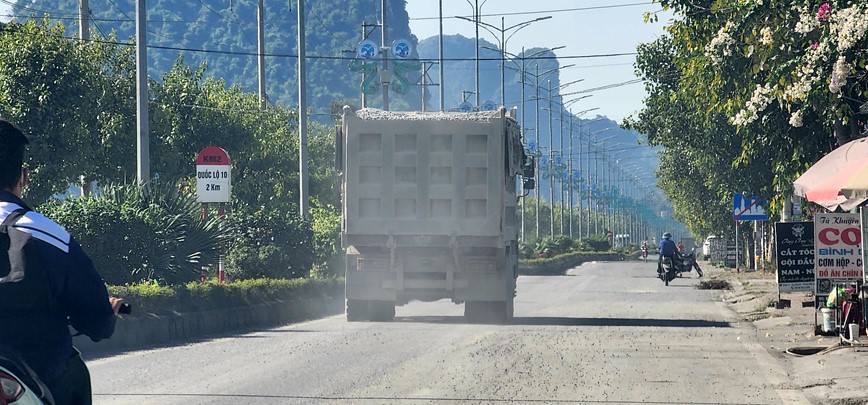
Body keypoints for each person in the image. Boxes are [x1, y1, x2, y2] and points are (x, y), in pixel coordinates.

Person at [0, 120, 123, 405]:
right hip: (37, 379)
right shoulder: (47, 234)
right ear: (23, 177)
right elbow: (98, 321)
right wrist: (106, 312)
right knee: (74, 373)